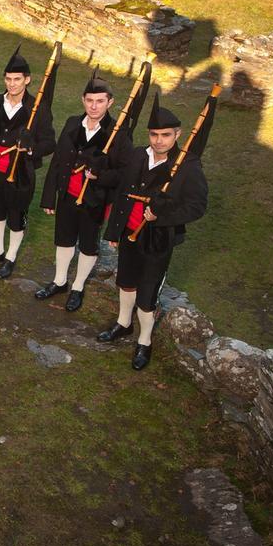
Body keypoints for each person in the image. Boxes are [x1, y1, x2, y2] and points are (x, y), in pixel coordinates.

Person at [99, 94, 210, 370]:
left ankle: (144, 341)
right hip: (129, 234)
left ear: (177, 135)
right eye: (154, 134)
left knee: (147, 295)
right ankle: (123, 324)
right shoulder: (138, 155)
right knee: (126, 282)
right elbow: (123, 193)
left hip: (157, 240)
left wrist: (161, 217)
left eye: (165, 135)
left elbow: (197, 207)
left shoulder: (188, 165)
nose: (159, 141)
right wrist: (113, 232)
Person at [36, 73, 132, 311]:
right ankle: (60, 281)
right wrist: (49, 197)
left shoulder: (118, 134)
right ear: (83, 100)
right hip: (68, 194)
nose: (94, 106)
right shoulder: (72, 123)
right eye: (89, 100)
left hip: (95, 200)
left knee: (88, 245)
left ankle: (78, 287)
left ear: (110, 102)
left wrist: (100, 176)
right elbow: (58, 160)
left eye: (100, 101)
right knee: (64, 239)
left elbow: (125, 173)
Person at [0, 46, 56, 279]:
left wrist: (30, 148)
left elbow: (50, 143)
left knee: (16, 217)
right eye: (8, 79)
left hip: (20, 174)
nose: (12, 84)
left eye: (17, 79)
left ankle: (10, 256)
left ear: (27, 80)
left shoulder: (38, 108)